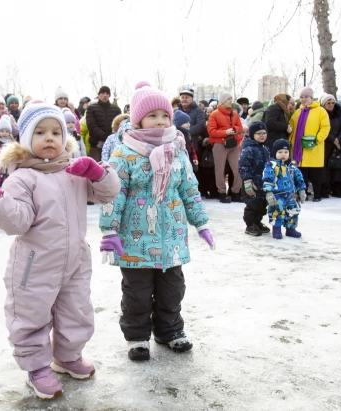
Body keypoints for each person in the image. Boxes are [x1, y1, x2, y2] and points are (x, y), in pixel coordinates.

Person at [0, 102, 120, 400]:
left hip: (74, 262)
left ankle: (67, 355)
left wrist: (98, 173)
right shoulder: (22, 178)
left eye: (55, 132)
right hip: (34, 266)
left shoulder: (74, 171)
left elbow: (107, 193)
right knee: (31, 314)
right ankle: (36, 366)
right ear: (25, 140)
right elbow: (18, 221)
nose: (49, 138)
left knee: (76, 311)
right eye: (40, 132)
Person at [99, 81, 214, 362]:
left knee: (172, 291)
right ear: (138, 119)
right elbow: (114, 194)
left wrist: (201, 223)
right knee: (137, 293)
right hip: (134, 241)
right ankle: (138, 337)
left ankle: (170, 331)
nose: (160, 120)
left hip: (172, 240)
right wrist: (109, 229)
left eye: (165, 115)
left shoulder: (178, 150)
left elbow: (189, 188)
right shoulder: (124, 153)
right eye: (153, 116)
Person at [288, 86, 330, 202]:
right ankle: (303, 193)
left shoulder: (321, 111)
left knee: (316, 173)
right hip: (299, 148)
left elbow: (325, 127)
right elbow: (291, 128)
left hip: (314, 147)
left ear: (311, 98)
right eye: (301, 97)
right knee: (302, 173)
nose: (303, 99)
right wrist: (291, 139)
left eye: (306, 97)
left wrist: (317, 139)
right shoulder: (297, 112)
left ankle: (317, 194)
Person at [262, 139, 307, 239]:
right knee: (276, 211)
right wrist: (269, 192)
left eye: (286, 152)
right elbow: (267, 179)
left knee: (293, 211)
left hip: (291, 195)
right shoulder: (272, 166)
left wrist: (301, 190)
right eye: (280, 152)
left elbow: (299, 179)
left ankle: (291, 229)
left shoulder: (292, 166)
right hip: (277, 195)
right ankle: (276, 229)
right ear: (275, 153)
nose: (283, 154)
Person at [208, 90, 244, 203]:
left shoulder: (234, 114)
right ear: (223, 101)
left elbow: (240, 127)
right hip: (220, 144)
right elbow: (211, 131)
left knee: (238, 168)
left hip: (233, 143)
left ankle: (235, 191)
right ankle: (222, 192)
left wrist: (234, 130)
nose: (230, 101)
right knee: (220, 169)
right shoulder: (214, 114)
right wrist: (225, 132)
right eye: (228, 99)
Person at [238, 121, 271, 237]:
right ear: (252, 135)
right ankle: (250, 224)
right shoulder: (249, 149)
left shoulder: (265, 149)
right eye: (259, 133)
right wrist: (247, 181)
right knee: (253, 204)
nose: (262, 136)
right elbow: (243, 166)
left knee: (262, 204)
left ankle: (257, 222)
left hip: (263, 182)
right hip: (251, 182)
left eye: (264, 133)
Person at [319, 94, 341, 198]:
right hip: (326, 142)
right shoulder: (321, 113)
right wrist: (332, 139)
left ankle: (337, 188)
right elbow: (321, 128)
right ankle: (324, 188)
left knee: (338, 166)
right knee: (324, 166)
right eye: (328, 103)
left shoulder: (339, 113)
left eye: (332, 102)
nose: (331, 105)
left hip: (338, 143)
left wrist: (338, 139)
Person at [86, 86, 122, 161]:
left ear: (109, 95)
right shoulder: (91, 108)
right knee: (95, 168)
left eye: (107, 93)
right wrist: (104, 136)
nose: (105, 95)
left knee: (113, 167)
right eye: (102, 93)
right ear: (99, 95)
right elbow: (91, 126)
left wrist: (111, 137)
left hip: (113, 145)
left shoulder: (116, 109)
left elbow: (120, 125)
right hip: (96, 145)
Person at [178, 88, 205, 163]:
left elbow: (200, 126)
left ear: (192, 99)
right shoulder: (177, 111)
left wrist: (184, 131)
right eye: (182, 97)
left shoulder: (198, 111)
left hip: (192, 144)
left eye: (186, 97)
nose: (184, 99)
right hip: (178, 144)